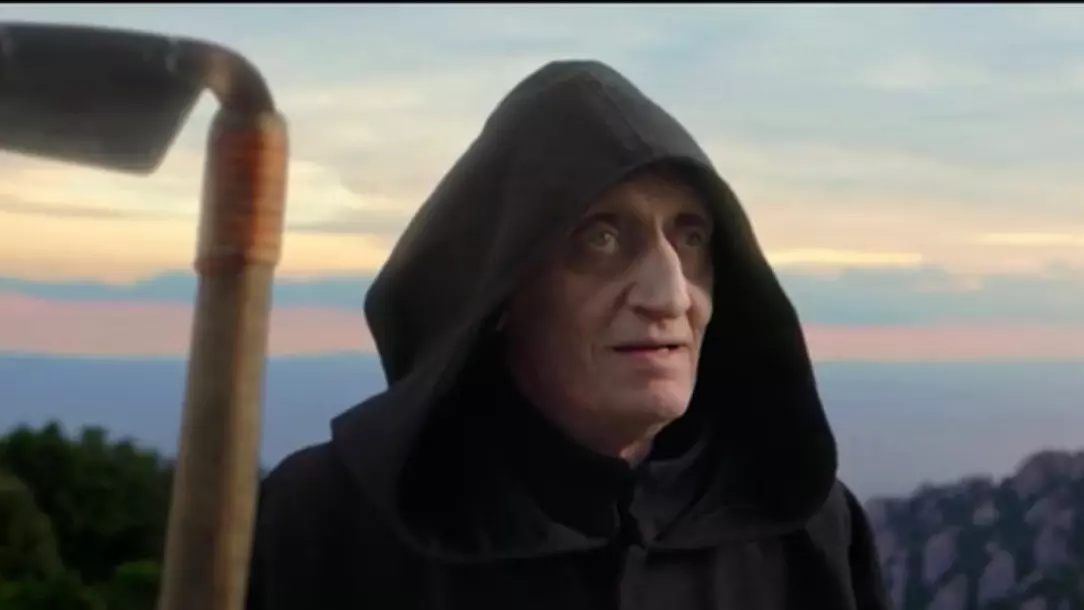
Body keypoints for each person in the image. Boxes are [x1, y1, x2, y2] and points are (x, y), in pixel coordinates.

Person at [245, 60, 891, 610]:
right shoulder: (322, 523)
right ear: (503, 289)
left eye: (691, 237)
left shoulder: (809, 530)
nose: (670, 296)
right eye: (602, 238)